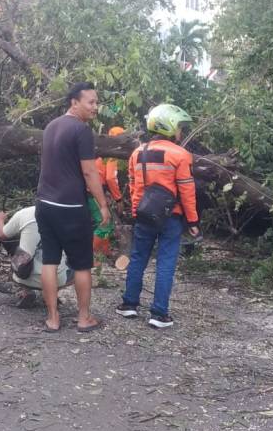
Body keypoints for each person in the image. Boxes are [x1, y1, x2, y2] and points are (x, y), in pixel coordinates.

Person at [116, 103, 200, 329]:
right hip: (171, 218)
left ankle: (129, 305)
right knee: (166, 263)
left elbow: (134, 187)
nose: (181, 132)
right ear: (170, 127)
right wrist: (192, 221)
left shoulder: (137, 153)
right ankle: (159, 314)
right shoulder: (181, 155)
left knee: (138, 258)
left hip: (144, 216)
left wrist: (136, 212)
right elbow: (186, 191)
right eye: (179, 127)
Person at [35, 82, 110, 332]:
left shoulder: (51, 127)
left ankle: (53, 319)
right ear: (74, 103)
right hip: (70, 206)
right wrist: (102, 205)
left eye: (96, 102)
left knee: (49, 260)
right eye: (91, 102)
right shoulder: (81, 130)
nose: (95, 107)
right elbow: (89, 172)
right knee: (81, 264)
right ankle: (84, 318)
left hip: (44, 203)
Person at [0, 207, 73, 308]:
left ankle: (26, 292)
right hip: (57, 278)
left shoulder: (24, 213)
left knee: (19, 249)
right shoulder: (68, 215)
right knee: (79, 267)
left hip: (24, 275)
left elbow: (2, 234)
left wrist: (0, 220)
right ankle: (51, 294)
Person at [91, 126, 125, 260]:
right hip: (94, 190)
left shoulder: (104, 151)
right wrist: (118, 199)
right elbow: (111, 178)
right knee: (104, 223)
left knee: (105, 222)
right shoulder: (112, 155)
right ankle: (92, 257)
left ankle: (105, 252)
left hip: (95, 188)